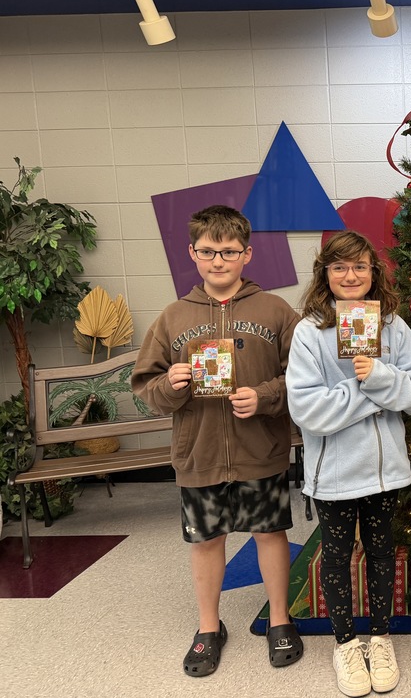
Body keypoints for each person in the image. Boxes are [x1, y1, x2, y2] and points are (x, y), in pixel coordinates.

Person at [131, 204, 303, 677]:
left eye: (229, 251)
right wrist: (171, 384)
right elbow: (145, 387)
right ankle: (209, 627)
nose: (218, 261)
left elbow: (303, 378)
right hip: (199, 453)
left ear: (247, 254)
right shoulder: (172, 317)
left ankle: (280, 619)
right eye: (208, 251)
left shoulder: (276, 311)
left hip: (260, 450)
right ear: (192, 253)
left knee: (270, 533)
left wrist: (266, 396)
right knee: (207, 540)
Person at [286, 231, 411, 696]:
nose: (351, 276)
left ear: (374, 272)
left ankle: (380, 637)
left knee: (382, 551)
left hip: (384, 470)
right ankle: (346, 643)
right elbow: (308, 409)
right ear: (325, 274)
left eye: (361, 267)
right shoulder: (309, 331)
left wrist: (382, 374)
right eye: (340, 267)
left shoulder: (392, 326)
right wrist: (369, 391)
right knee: (335, 553)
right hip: (334, 474)